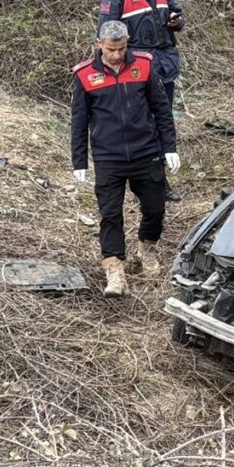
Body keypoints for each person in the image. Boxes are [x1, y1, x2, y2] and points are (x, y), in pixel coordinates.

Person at [71, 20, 181, 297]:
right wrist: (79, 161)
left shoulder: (144, 65)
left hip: (146, 152)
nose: (117, 54)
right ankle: (114, 269)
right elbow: (79, 121)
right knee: (110, 215)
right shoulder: (85, 75)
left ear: (127, 42)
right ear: (99, 44)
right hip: (108, 158)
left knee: (155, 208)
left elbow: (161, 109)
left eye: (121, 48)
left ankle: (147, 248)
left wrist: (169, 147)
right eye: (111, 49)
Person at [98, 0, 185, 201]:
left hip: (164, 67)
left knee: (162, 121)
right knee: (140, 127)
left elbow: (177, 13)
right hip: (134, 71)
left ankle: (159, 182)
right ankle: (141, 186)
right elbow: (106, 34)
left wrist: (176, 21)